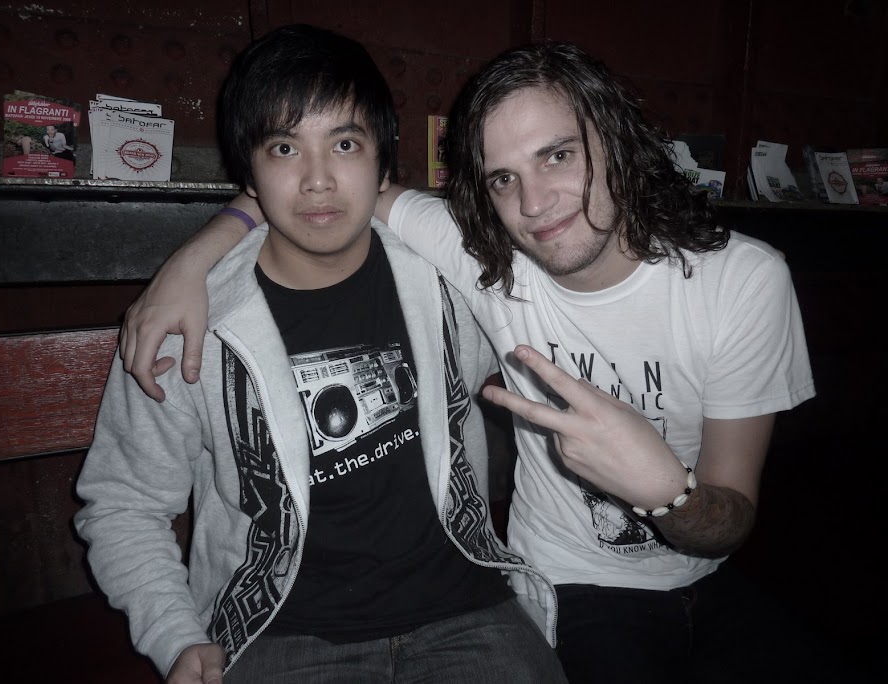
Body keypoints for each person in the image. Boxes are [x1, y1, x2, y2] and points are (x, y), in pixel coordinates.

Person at [117, 41, 861, 683]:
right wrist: (196, 257)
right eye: (503, 178)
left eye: (559, 156)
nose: (535, 204)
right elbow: (125, 503)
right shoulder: (196, 321)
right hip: (369, 618)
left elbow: (731, 516)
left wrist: (666, 492)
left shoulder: (725, 279)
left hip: (515, 605)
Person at [75, 25, 568, 684]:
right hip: (281, 631)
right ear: (249, 174)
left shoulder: (451, 281)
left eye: (344, 143)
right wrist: (174, 632)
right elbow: (124, 503)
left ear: (383, 165)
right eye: (284, 148)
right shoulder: (189, 324)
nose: (317, 180)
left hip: (467, 607)